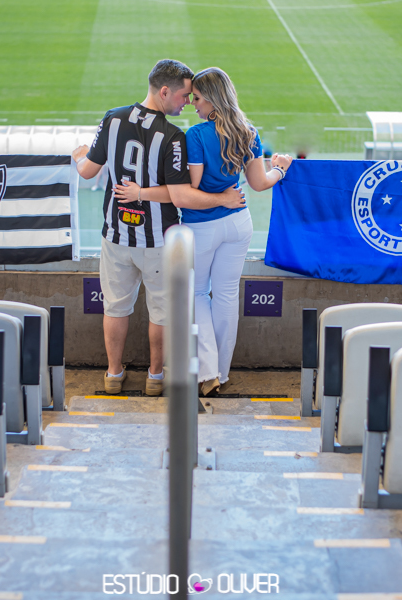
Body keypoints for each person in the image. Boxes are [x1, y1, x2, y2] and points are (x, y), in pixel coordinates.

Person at [72, 59, 246, 397]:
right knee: (162, 312)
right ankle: (154, 377)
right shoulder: (174, 136)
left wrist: (79, 155)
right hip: (158, 238)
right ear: (164, 91)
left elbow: (87, 172)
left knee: (115, 307)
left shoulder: (113, 119)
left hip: (116, 235)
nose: (186, 102)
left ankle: (113, 374)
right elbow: (181, 195)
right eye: (183, 96)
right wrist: (223, 198)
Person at [115, 67, 292, 397]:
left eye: (196, 98)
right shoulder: (248, 132)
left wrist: (146, 189)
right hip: (239, 224)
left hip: (202, 226)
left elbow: (190, 188)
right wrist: (279, 169)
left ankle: (207, 372)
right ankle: (221, 374)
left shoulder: (194, 136)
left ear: (211, 98)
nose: (193, 104)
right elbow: (258, 183)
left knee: (197, 296)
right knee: (226, 296)